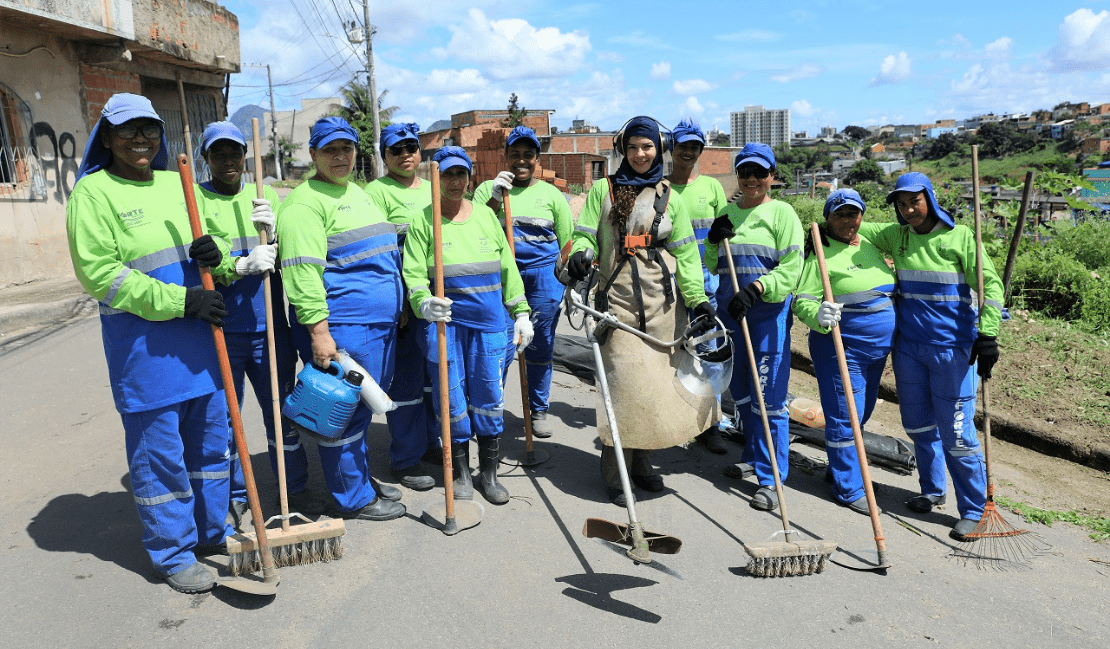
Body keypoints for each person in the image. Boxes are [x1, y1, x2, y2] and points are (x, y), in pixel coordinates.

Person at [66, 93, 240, 593]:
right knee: (160, 458)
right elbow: (102, 276)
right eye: (128, 129)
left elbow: (218, 249)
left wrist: (219, 254)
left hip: (203, 348)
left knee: (210, 449)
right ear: (106, 137)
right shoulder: (93, 195)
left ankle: (213, 532)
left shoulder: (177, 183)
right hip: (145, 355)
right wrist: (182, 302)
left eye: (149, 128)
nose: (140, 138)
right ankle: (173, 551)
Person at [565, 116, 718, 506]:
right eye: (632, 147)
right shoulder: (605, 189)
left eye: (646, 147)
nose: (639, 154)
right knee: (623, 388)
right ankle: (616, 474)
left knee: (653, 389)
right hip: (615, 303)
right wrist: (582, 251)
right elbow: (583, 231)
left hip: (663, 308)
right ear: (622, 150)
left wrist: (697, 299)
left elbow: (685, 255)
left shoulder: (671, 198)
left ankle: (643, 464)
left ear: (658, 149)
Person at [275, 117, 405, 522]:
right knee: (344, 412)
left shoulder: (359, 194)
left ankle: (359, 479)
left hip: (376, 327)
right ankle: (352, 498)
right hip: (342, 329)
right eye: (330, 150)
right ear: (312, 154)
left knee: (363, 411)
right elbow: (302, 275)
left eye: (346, 149)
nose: (340, 157)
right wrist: (318, 332)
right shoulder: (303, 204)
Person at [859, 172, 1002, 542]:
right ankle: (932, 489)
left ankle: (973, 510)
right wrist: (818, 231)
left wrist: (987, 335)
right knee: (919, 426)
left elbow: (992, 287)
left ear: (930, 199)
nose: (908, 210)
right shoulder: (897, 235)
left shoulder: (962, 237)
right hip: (908, 348)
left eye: (914, 202)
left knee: (957, 434)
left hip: (953, 351)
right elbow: (850, 224)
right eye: (901, 204)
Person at [196, 121, 327, 522]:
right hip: (223, 332)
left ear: (246, 156)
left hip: (271, 331)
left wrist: (273, 235)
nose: (229, 161)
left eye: (235, 152)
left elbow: (292, 251)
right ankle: (236, 496)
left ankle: (294, 489)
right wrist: (239, 264)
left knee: (281, 416)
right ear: (207, 159)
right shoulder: (197, 200)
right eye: (219, 154)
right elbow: (203, 258)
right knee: (226, 421)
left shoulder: (265, 194)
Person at [402, 146, 533, 505]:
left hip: (490, 325)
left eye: (461, 174)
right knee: (451, 396)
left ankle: (488, 474)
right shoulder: (423, 222)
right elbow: (413, 273)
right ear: (436, 177)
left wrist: (520, 312)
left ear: (469, 176)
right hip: (446, 326)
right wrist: (423, 302)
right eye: (447, 175)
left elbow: (508, 267)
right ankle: (459, 472)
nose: (455, 181)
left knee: (490, 396)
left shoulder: (486, 218)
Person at [705, 142, 803, 511]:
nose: (751, 179)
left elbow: (792, 268)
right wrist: (714, 241)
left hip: (766, 318)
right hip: (732, 315)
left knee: (769, 401)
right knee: (743, 393)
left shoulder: (782, 214)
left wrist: (759, 288)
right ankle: (753, 454)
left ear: (771, 177)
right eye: (744, 172)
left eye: (759, 173)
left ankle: (771, 479)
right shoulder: (728, 214)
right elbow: (714, 263)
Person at [792, 189, 896, 514]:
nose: (848, 221)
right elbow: (803, 300)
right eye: (840, 214)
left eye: (853, 213)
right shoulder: (820, 253)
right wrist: (818, 315)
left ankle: (841, 470)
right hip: (840, 348)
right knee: (845, 417)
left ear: (862, 215)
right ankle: (849, 489)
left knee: (860, 414)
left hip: (875, 353)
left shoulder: (869, 244)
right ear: (828, 217)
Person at [473, 126, 574, 439]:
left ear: (537, 159)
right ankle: (492, 409)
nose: (521, 160)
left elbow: (568, 243)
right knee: (500, 346)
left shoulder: (552, 195)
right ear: (505, 157)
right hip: (503, 277)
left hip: (544, 277)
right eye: (514, 154)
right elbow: (475, 231)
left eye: (528, 155)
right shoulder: (489, 191)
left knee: (540, 346)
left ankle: (538, 409)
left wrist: (571, 284)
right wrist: (493, 199)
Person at [365, 123, 438, 491]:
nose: (406, 154)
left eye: (412, 147)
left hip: (435, 296)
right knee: (407, 381)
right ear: (385, 157)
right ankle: (406, 457)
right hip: (403, 297)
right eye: (397, 150)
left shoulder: (433, 188)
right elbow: (382, 255)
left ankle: (431, 443)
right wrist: (402, 302)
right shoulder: (375, 193)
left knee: (434, 378)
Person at [667, 117, 732, 454]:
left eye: (695, 146)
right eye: (683, 146)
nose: (689, 151)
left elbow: (724, 235)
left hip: (706, 287)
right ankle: (675, 421)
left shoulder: (711, 188)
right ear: (671, 148)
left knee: (709, 354)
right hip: (668, 289)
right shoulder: (661, 190)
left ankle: (711, 425)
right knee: (673, 354)